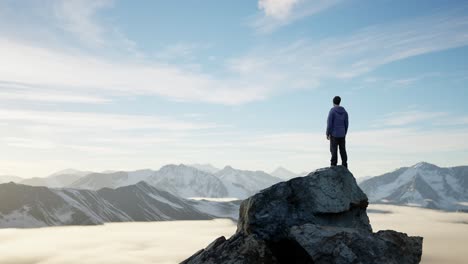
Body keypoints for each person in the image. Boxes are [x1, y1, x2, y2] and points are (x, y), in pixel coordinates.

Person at [326, 96, 349, 168]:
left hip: (334, 134)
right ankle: (344, 164)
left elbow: (329, 123)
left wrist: (327, 133)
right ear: (339, 102)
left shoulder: (332, 111)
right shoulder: (345, 112)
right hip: (342, 134)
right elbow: (346, 123)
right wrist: (344, 132)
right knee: (343, 150)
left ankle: (333, 165)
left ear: (333, 102)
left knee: (333, 150)